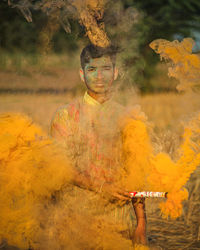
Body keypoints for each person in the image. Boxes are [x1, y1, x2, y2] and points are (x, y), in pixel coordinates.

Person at [50, 44, 147, 245]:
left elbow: (137, 173)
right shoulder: (65, 116)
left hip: (120, 223)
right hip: (76, 222)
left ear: (116, 72)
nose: (99, 76)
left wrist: (141, 224)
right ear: (81, 74)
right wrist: (102, 187)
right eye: (92, 69)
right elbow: (62, 169)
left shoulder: (129, 118)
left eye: (106, 69)